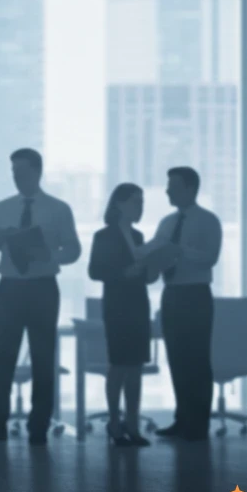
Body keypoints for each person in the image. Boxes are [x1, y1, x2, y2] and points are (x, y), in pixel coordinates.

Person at [0, 148, 81, 446]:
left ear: (37, 172)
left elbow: (73, 250)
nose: (16, 176)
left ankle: (39, 427)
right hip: (9, 286)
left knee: (43, 358)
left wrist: (49, 254)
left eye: (21, 171)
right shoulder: (2, 209)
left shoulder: (58, 209)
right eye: (13, 171)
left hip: (42, 286)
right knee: (3, 358)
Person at [149, 166, 222, 442]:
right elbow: (156, 252)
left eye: (173, 186)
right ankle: (182, 419)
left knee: (197, 360)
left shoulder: (208, 221)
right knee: (176, 359)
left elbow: (210, 257)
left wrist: (180, 250)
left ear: (190, 188)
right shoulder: (166, 223)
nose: (168, 191)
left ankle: (198, 424)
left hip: (196, 294)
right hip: (171, 294)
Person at [87, 183, 160, 448]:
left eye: (142, 202)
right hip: (117, 306)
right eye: (134, 201)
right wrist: (122, 273)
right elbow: (95, 271)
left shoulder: (140, 237)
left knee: (136, 367)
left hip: (139, 304)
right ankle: (115, 424)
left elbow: (145, 275)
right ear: (118, 204)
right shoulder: (103, 236)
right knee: (118, 365)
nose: (139, 207)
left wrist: (154, 267)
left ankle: (133, 425)